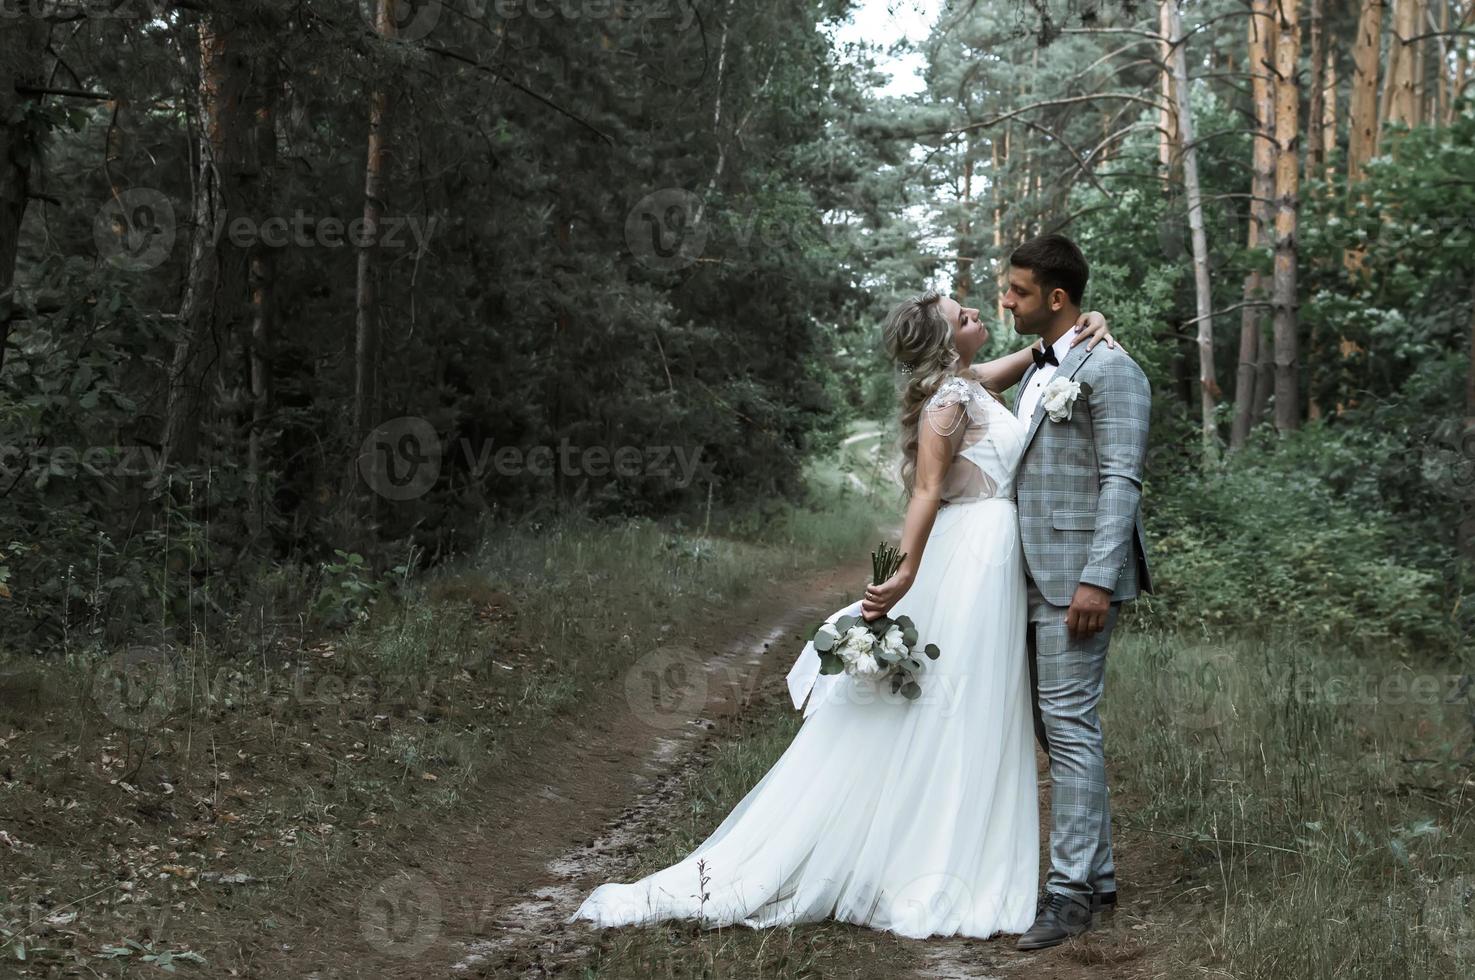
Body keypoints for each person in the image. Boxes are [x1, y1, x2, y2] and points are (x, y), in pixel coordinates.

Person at [564, 287, 1121, 942]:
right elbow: (923, 493)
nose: (975, 316)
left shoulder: (966, 382)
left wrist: (1079, 328)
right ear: (945, 342)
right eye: (962, 316)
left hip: (995, 560)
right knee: (962, 708)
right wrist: (907, 569)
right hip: (974, 563)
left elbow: (1026, 358)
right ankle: (940, 864)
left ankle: (959, 852)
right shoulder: (947, 402)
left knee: (980, 706)